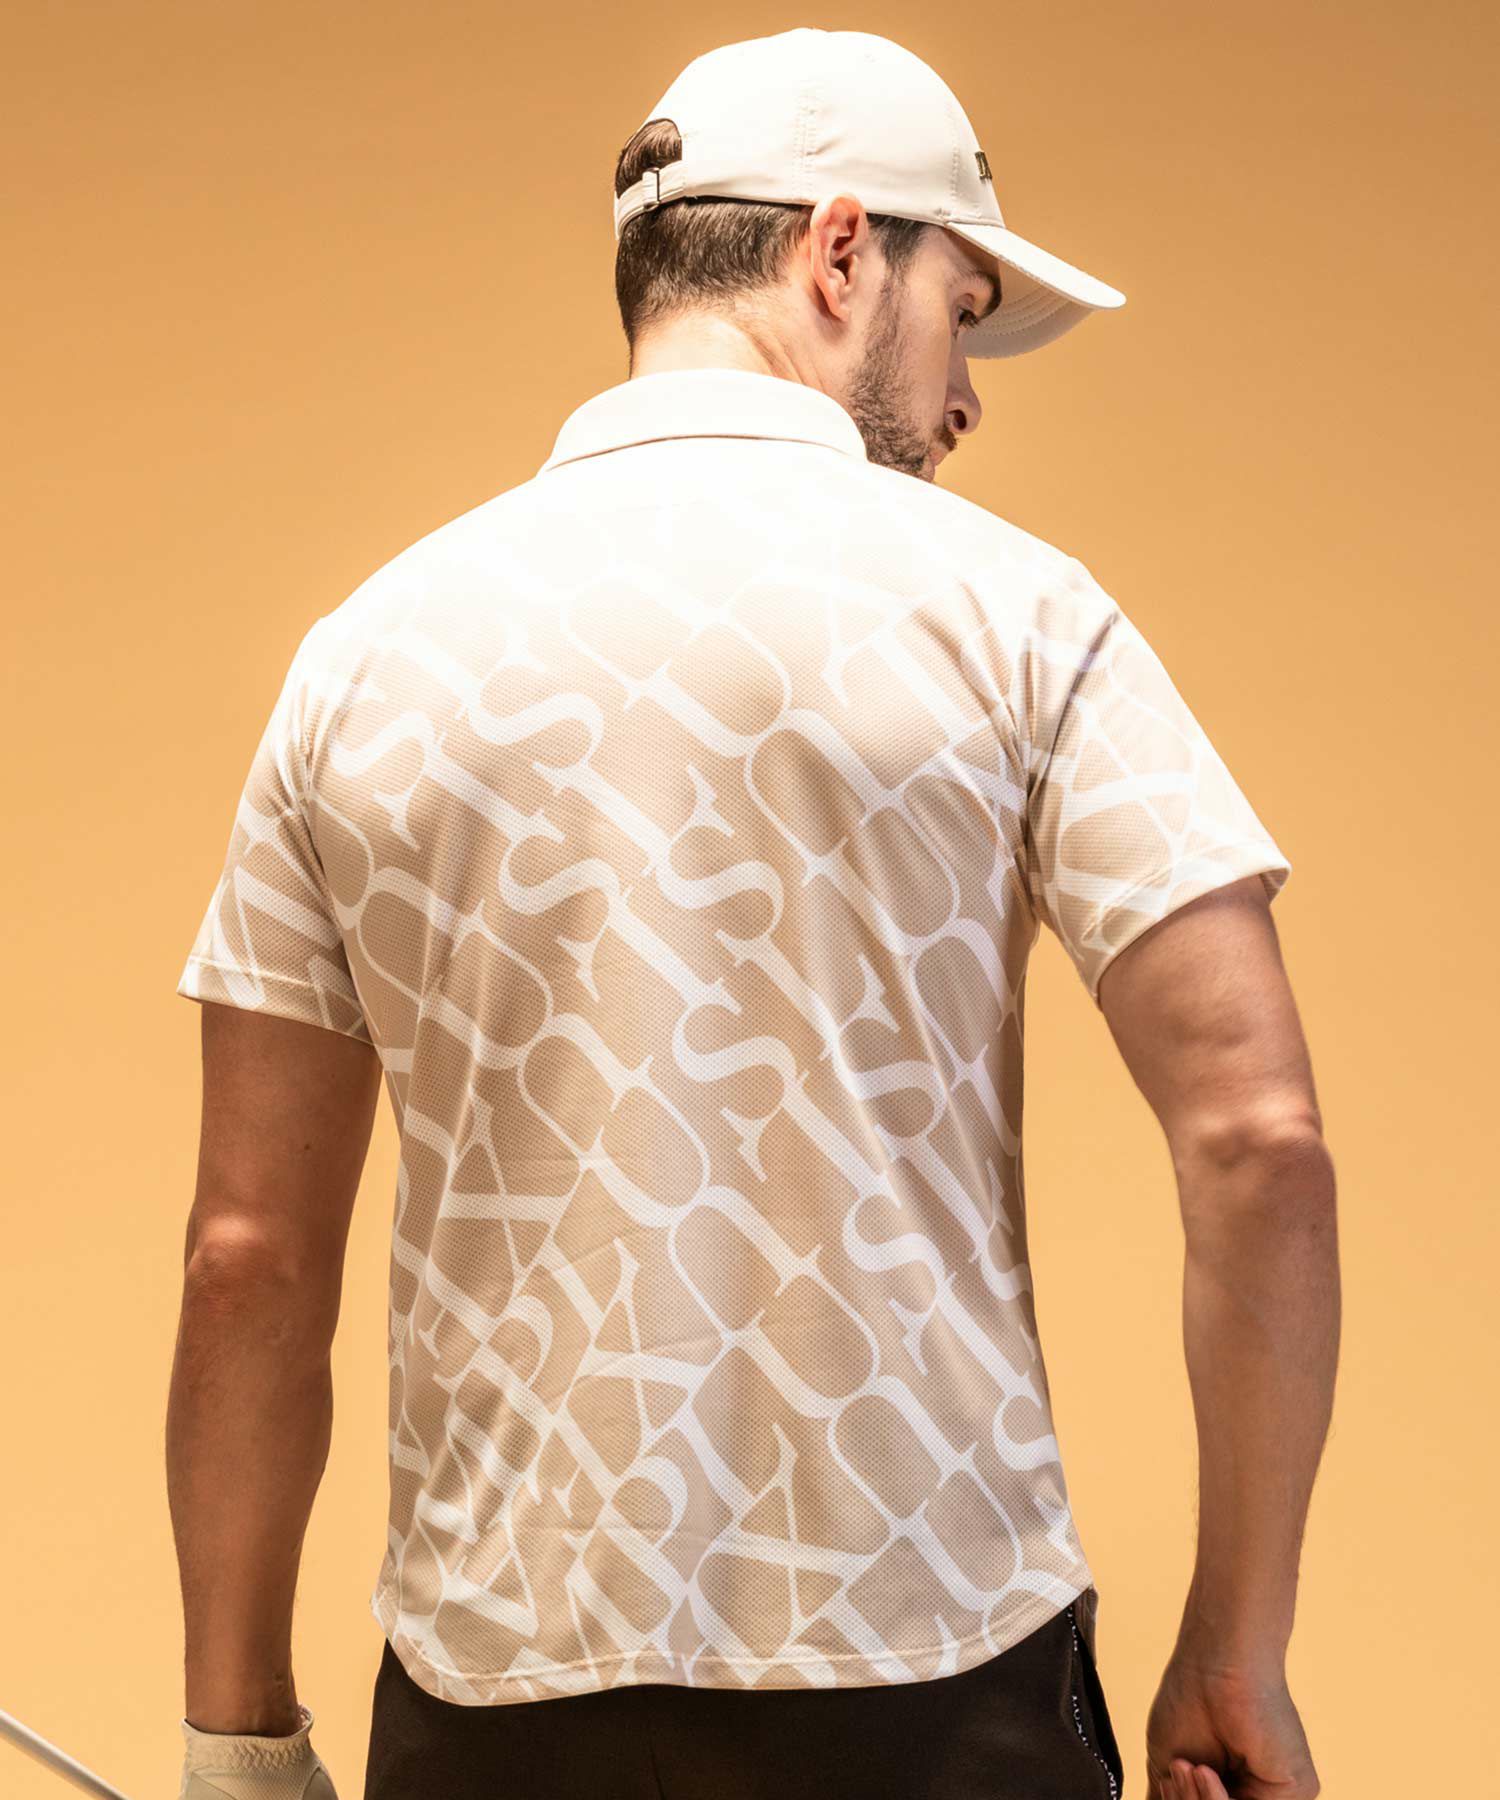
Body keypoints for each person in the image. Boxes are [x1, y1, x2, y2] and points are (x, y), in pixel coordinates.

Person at [166, 27, 1338, 1800]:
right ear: (840, 251)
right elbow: (1259, 1140)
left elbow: (250, 1253)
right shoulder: (1020, 616)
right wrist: (1234, 1654)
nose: (965, 393)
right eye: (962, 311)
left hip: (498, 1705)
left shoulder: (363, 658)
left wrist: (236, 1740)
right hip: (941, 1686)